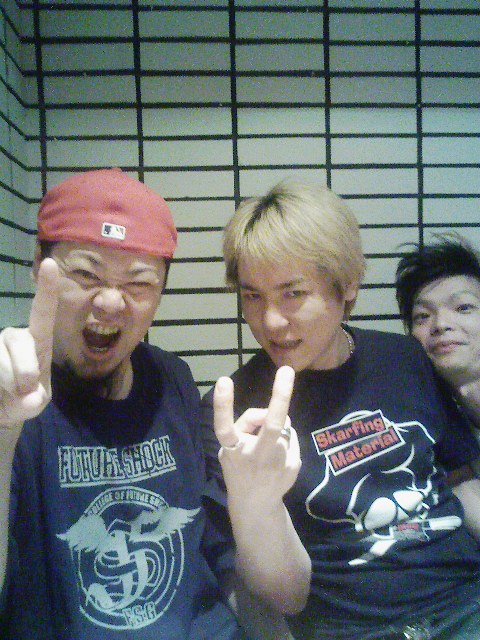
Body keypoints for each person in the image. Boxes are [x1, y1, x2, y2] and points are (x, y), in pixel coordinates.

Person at [0, 168, 296, 640]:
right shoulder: (9, 399)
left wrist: (257, 505)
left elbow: (214, 552)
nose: (111, 302)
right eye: (86, 274)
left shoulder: (170, 378)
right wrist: (2, 431)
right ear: (39, 265)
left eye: (138, 283)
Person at [201, 181, 480, 640]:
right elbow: (283, 599)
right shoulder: (237, 415)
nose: (270, 321)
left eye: (293, 293)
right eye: (252, 296)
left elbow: (459, 479)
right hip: (354, 628)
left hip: (466, 601)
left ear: (348, 283)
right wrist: (257, 504)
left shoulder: (405, 359)